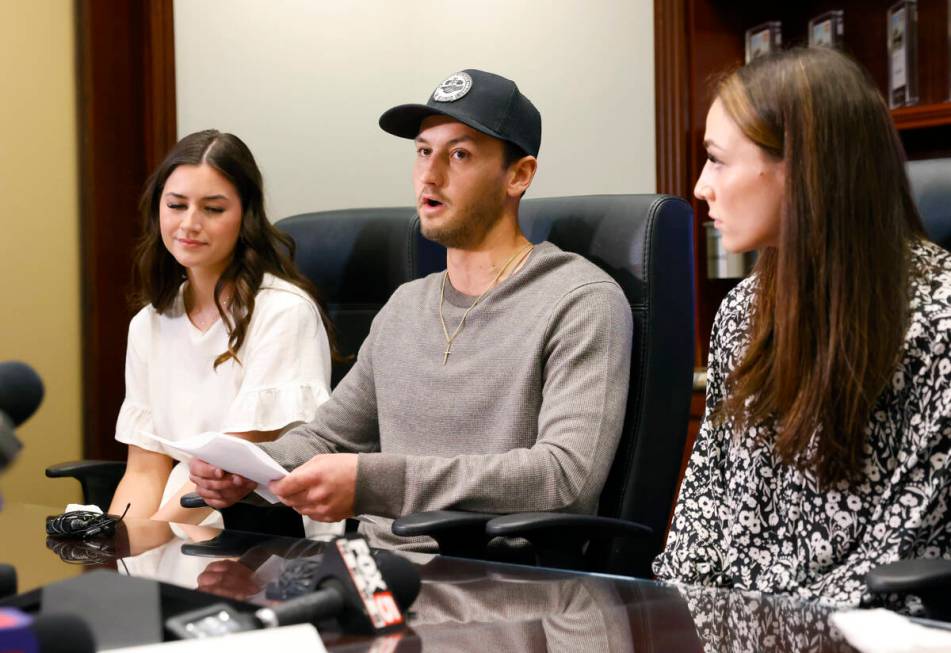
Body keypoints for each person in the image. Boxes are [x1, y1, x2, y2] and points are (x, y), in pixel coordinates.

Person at [189, 69, 633, 551]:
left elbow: (564, 477)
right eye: (423, 151)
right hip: (375, 573)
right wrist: (248, 468)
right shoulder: (406, 306)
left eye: (459, 154)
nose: (430, 174)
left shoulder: (581, 300)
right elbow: (328, 439)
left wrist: (374, 481)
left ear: (519, 175)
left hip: (498, 588)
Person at [653, 47, 951, 607]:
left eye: (717, 159)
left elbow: (905, 552)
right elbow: (704, 506)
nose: (699, 187)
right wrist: (669, 618)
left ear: (803, 167)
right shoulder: (743, 309)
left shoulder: (941, 322)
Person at [108, 130, 337, 531]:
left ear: (245, 216)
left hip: (260, 525)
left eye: (213, 209)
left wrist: (148, 541)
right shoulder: (149, 323)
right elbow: (144, 472)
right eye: (176, 205)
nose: (189, 224)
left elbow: (230, 466)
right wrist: (114, 548)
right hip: (180, 517)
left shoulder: (284, 311)